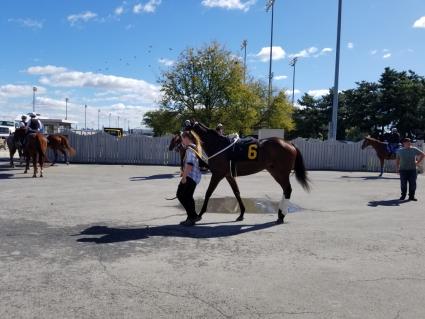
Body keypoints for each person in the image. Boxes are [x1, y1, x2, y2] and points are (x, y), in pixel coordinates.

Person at [177, 131, 202, 226]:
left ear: (187, 138)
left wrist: (184, 177)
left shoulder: (190, 149)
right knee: (188, 197)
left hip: (190, 177)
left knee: (180, 195)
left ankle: (192, 216)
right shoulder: (195, 147)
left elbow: (190, 164)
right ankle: (191, 217)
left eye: (182, 138)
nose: (182, 140)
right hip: (194, 177)